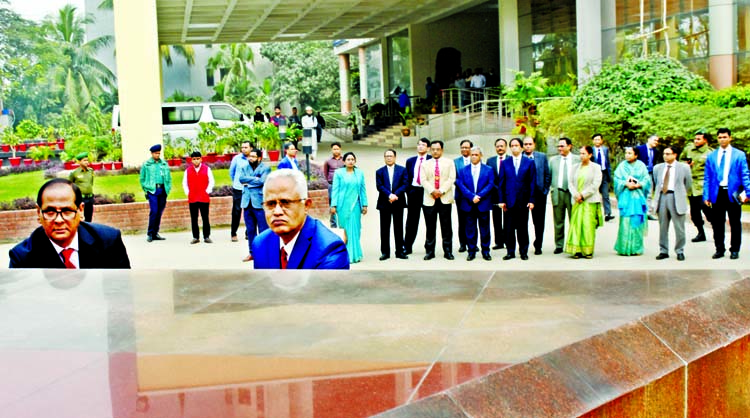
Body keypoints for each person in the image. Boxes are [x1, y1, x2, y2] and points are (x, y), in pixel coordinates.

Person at [9, 178, 130, 268]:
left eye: (67, 211)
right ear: (38, 213)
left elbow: (122, 293)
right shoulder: (22, 257)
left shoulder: (108, 241)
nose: (59, 220)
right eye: (50, 212)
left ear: (81, 210)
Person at [252, 169, 349, 269]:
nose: (277, 212)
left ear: (306, 205)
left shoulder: (330, 250)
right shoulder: (260, 244)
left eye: (286, 202)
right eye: (270, 204)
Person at [703, 127, 750, 260]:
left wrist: (748, 192)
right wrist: (706, 195)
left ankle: (735, 249)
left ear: (730, 138)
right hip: (717, 193)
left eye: (725, 137)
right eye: (720, 137)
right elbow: (707, 177)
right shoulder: (712, 156)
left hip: (733, 192)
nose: (722, 139)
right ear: (717, 139)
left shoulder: (739, 155)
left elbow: (745, 174)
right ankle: (719, 249)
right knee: (718, 223)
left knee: (735, 222)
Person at [497, 138, 536, 260]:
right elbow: (501, 183)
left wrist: (531, 200)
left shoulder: (529, 162)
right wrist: (501, 200)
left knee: (522, 228)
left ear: (521, 148)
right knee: (508, 228)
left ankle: (523, 251)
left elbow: (532, 183)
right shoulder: (505, 163)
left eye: (516, 145)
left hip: (523, 201)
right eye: (512, 145)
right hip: (509, 201)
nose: (514, 147)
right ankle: (510, 251)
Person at [653, 146, 692, 261]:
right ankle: (663, 250)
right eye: (664, 153)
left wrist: (681, 193)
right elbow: (656, 182)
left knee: (679, 227)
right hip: (662, 197)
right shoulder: (658, 168)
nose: (665, 156)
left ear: (675, 155)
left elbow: (688, 183)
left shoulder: (684, 168)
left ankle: (680, 250)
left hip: (676, 197)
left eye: (668, 154)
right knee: (663, 226)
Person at [456, 146, 495, 261]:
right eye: (472, 155)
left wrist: (479, 196)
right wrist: (471, 196)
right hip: (469, 204)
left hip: (483, 204)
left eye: (476, 155)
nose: (474, 157)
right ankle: (471, 251)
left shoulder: (488, 169)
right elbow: (461, 184)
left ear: (481, 156)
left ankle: (486, 251)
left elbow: (490, 184)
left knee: (485, 229)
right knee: (470, 229)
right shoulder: (463, 170)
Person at [565, 146, 603, 259]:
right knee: (576, 225)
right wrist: (576, 194)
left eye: (584, 154)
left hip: (589, 201)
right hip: (577, 201)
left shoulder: (596, 167)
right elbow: (570, 183)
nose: (581, 156)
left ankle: (587, 251)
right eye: (580, 153)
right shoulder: (575, 167)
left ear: (590, 155)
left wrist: (583, 195)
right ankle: (576, 250)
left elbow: (596, 184)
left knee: (587, 226)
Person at [420, 140, 456, 260]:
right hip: (429, 199)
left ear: (442, 150)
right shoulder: (425, 164)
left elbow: (451, 178)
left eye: (438, 149)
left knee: (446, 226)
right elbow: (423, 180)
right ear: (430, 150)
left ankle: (448, 251)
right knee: (430, 227)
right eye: (433, 149)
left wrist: (441, 191)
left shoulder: (449, 162)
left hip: (444, 198)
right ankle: (430, 251)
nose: (435, 151)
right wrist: (432, 191)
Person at [613, 147, 652, 256]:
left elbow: (646, 180)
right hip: (626, 197)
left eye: (630, 153)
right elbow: (616, 179)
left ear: (636, 155)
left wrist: (639, 184)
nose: (627, 155)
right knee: (625, 222)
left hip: (638, 197)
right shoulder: (622, 166)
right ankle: (624, 248)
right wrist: (625, 184)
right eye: (626, 153)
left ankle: (636, 248)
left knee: (637, 221)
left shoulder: (641, 166)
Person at [331, 152, 368, 264]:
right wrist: (333, 205)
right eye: (348, 159)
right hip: (342, 206)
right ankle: (345, 254)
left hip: (355, 206)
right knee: (344, 229)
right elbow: (335, 190)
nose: (350, 161)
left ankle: (355, 254)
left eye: (352, 159)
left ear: (355, 161)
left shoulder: (360, 173)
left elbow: (362, 190)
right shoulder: (338, 173)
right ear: (344, 161)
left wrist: (365, 204)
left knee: (356, 230)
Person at [680, 130, 714, 242]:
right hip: (691, 184)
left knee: (707, 209)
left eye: (699, 139)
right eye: (695, 138)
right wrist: (685, 164)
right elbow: (680, 160)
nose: (696, 141)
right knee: (694, 213)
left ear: (705, 140)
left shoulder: (710, 153)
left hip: (703, 183)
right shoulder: (689, 149)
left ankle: (717, 230)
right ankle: (701, 232)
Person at [549, 137, 580, 254]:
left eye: (562, 146)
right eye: (558, 146)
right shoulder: (553, 160)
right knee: (558, 221)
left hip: (573, 194)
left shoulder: (577, 160)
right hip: (558, 193)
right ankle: (559, 245)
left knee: (574, 220)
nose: (559, 148)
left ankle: (574, 244)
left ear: (569, 146)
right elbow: (549, 177)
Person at [376, 149, 408, 260]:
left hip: (398, 202)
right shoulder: (379, 171)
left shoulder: (402, 170)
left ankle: (399, 251)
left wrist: (395, 195)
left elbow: (405, 184)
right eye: (387, 156)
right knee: (384, 229)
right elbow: (379, 186)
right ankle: (385, 252)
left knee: (398, 228)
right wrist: (389, 195)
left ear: (395, 157)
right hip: (385, 202)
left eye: (391, 156)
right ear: (384, 158)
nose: (389, 158)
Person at [239, 148, 270, 262]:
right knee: (250, 230)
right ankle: (252, 253)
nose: (250, 158)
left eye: (253, 156)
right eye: (249, 156)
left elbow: (262, 181)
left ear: (259, 158)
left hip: (259, 202)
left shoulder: (265, 168)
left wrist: (249, 182)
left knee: (263, 229)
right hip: (247, 202)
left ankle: (264, 253)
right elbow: (241, 179)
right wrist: (254, 179)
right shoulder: (244, 167)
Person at [523, 136, 551, 255]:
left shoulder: (542, 157)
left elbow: (547, 174)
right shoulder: (519, 158)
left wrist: (545, 190)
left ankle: (538, 245)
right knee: (522, 222)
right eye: (525, 144)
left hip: (539, 194)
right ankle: (524, 245)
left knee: (539, 222)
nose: (528, 146)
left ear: (534, 145)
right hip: (524, 195)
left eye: (530, 144)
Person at [404, 138, 432, 254]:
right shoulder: (410, 161)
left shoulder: (431, 160)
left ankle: (429, 247)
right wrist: (409, 191)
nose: (420, 147)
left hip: (427, 192)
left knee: (429, 220)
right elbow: (407, 177)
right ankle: (407, 246)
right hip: (414, 192)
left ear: (428, 148)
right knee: (411, 221)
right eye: (419, 144)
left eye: (423, 145)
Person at [140, 144, 171, 242]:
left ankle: (155, 233)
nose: (157, 155)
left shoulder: (164, 164)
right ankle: (150, 233)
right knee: (154, 211)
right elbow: (142, 178)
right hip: (152, 190)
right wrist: (146, 189)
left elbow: (169, 178)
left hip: (162, 190)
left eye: (158, 153)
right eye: (155, 153)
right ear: (152, 153)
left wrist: (168, 188)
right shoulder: (147, 164)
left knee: (159, 212)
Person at [182, 151, 214, 244]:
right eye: (194, 159)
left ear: (201, 159)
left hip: (204, 197)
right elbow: (184, 183)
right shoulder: (187, 171)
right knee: (194, 218)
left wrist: (207, 191)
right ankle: (195, 237)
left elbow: (211, 181)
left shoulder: (207, 169)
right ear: (191, 160)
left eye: (197, 159)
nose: (196, 161)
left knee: (205, 217)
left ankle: (206, 236)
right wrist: (188, 192)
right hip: (193, 197)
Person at [486, 138, 507, 250]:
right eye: (498, 146)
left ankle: (508, 241)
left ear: (505, 147)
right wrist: (496, 187)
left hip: (508, 194)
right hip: (494, 194)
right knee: (496, 219)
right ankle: (499, 242)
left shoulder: (510, 159)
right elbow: (488, 177)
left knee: (508, 219)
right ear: (495, 148)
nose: (500, 148)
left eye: (502, 146)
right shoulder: (490, 161)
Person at [228, 141, 251, 241]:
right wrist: (236, 182)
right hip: (238, 188)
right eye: (242, 147)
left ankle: (248, 232)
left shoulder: (253, 158)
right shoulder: (237, 159)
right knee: (236, 211)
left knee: (249, 211)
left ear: (251, 148)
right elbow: (231, 172)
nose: (243, 149)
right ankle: (233, 233)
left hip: (250, 188)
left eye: (246, 147)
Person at [454, 139, 473, 253]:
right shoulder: (455, 162)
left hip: (474, 196)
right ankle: (463, 243)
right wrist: (465, 191)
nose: (464, 149)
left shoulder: (475, 159)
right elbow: (454, 178)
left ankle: (472, 243)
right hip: (461, 196)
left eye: (467, 147)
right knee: (462, 220)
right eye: (462, 147)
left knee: (472, 221)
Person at [636, 135, 661, 220]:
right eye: (654, 140)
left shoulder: (656, 151)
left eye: (657, 141)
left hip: (650, 173)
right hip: (639, 174)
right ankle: (638, 211)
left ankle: (648, 212)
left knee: (649, 193)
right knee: (639, 192)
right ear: (649, 140)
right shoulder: (639, 149)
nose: (656, 142)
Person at [592, 133, 614, 221]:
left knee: (605, 194)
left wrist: (609, 173)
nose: (597, 141)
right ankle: (595, 214)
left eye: (599, 139)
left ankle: (608, 213)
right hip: (594, 174)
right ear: (593, 141)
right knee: (595, 194)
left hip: (604, 173)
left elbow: (607, 161)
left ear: (602, 140)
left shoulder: (605, 149)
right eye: (595, 139)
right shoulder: (591, 150)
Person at [68, 152, 95, 222]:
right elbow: (69, 185)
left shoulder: (90, 171)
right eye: (84, 160)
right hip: (81, 198)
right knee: (79, 217)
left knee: (89, 217)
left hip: (90, 197)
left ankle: (87, 231)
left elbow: (91, 183)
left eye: (87, 160)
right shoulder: (74, 173)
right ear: (79, 162)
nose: (87, 162)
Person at [323, 142, 345, 227]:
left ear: (340, 149)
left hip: (342, 186)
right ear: (332, 150)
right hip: (332, 186)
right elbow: (325, 173)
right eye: (334, 149)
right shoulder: (328, 161)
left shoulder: (344, 160)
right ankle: (333, 225)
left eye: (337, 149)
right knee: (332, 205)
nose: (336, 151)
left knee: (342, 204)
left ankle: (342, 223)